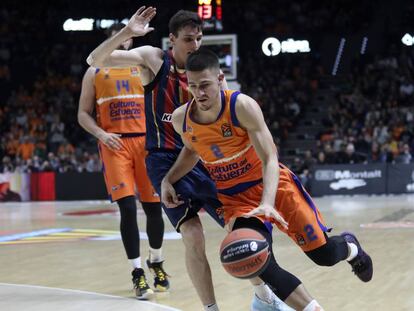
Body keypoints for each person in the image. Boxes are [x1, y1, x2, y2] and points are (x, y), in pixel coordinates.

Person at [87, 7, 287, 311]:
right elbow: (95, 61)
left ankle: (263, 295)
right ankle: (211, 308)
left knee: (240, 229)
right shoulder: (154, 60)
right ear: (172, 40)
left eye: (199, 38)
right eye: (188, 39)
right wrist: (128, 32)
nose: (195, 45)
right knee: (193, 234)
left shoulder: (210, 76)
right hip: (165, 161)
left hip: (203, 159)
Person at [161, 49, 374, 310]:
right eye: (193, 86)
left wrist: (268, 202)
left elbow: (270, 158)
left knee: (325, 256)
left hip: (275, 187)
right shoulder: (182, 118)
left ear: (219, 79)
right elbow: (192, 150)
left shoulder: (242, 107)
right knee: (257, 260)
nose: (199, 93)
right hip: (236, 199)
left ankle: (350, 247)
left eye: (204, 85)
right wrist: (168, 179)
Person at [78, 23, 169, 300]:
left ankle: (157, 261)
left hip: (147, 143)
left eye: (129, 39)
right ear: (111, 40)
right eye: (120, 38)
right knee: (127, 209)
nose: (124, 43)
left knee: (154, 210)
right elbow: (83, 113)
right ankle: (137, 272)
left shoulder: (142, 65)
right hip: (114, 144)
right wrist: (101, 134)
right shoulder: (94, 71)